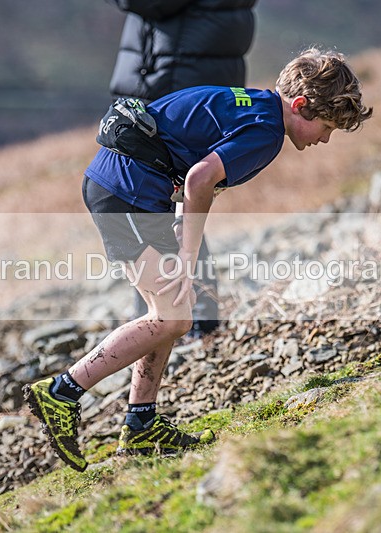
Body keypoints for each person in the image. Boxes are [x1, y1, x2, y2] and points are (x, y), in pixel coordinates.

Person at [24, 48, 373, 471]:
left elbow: (183, 146)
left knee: (174, 309)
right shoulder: (267, 132)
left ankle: (141, 423)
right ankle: (61, 392)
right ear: (300, 105)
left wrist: (179, 226)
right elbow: (199, 178)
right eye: (327, 127)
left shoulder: (253, 104)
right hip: (126, 193)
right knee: (173, 317)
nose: (325, 139)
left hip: (131, 186)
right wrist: (188, 256)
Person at [107, 0, 258, 337]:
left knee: (155, 207)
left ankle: (173, 321)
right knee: (181, 205)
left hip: (172, 77)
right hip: (197, 74)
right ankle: (187, 319)